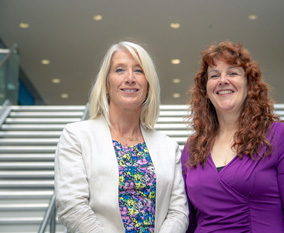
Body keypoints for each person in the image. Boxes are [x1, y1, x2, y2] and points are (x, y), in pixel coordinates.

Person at [55, 41, 188, 233]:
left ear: (148, 85)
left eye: (139, 71)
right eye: (119, 70)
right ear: (107, 84)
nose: (130, 78)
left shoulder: (168, 146)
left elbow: (179, 212)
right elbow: (72, 207)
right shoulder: (76, 137)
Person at [181, 41, 284, 233]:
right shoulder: (192, 149)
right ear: (206, 91)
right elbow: (190, 224)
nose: (222, 80)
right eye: (214, 75)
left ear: (249, 84)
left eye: (233, 73)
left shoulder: (279, 136)